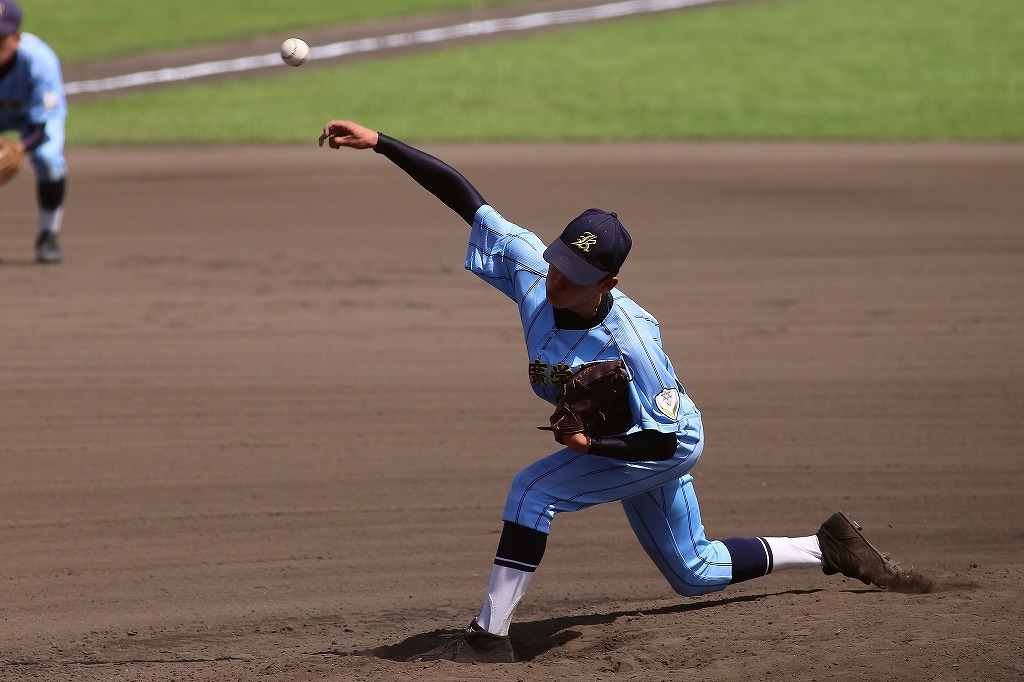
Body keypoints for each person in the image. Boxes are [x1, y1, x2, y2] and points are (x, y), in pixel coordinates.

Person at [318, 120, 921, 664]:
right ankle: (826, 548)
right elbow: (468, 201)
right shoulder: (536, 267)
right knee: (694, 571)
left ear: (608, 282)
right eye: (555, 264)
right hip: (620, 439)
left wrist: (591, 447)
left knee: (532, 491)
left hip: (661, 440)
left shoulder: (632, 344)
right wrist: (381, 144)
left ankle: (488, 636)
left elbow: (662, 443)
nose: (554, 280)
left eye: (573, 278)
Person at [0, 0, 67, 264]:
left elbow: (41, 129)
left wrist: (18, 149)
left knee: (49, 159)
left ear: (16, 39)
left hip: (31, 117)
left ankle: (48, 235)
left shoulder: (40, 62)